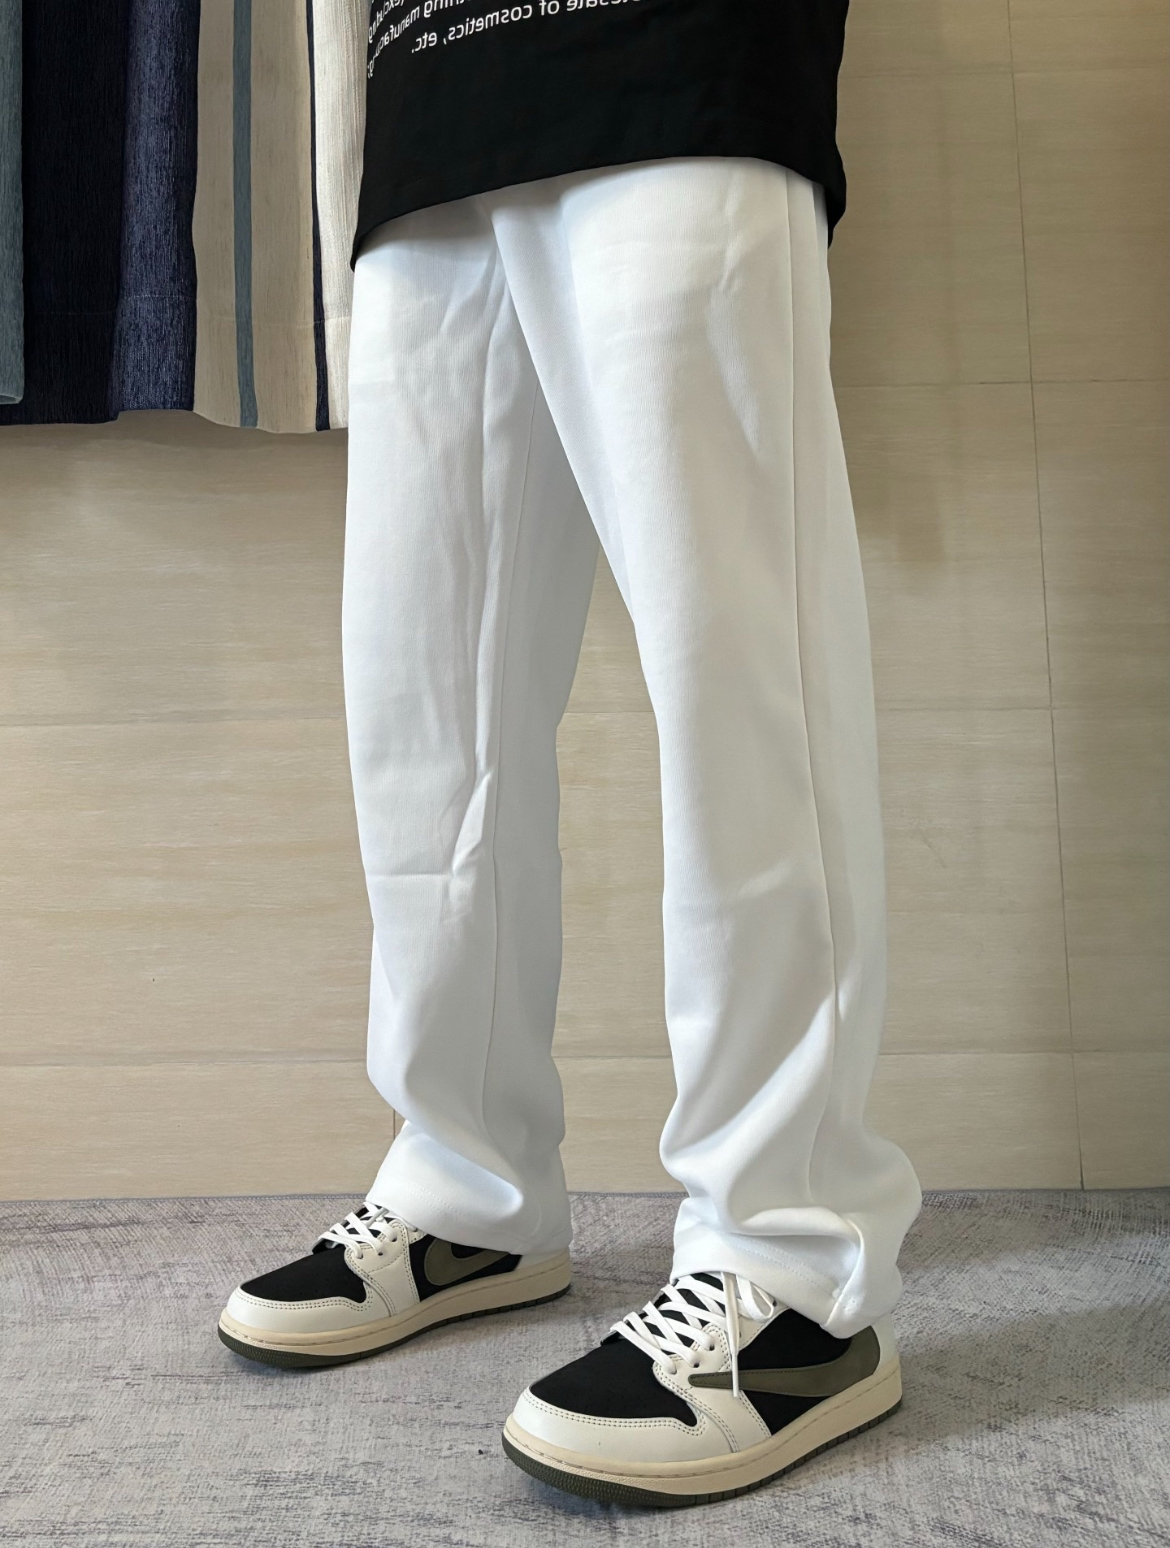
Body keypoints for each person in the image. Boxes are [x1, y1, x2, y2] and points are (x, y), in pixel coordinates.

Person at [218, 0, 922, 1507]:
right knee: (427, 701)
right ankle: (468, 1186)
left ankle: (792, 1266)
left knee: (740, 668)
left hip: (671, 51)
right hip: (429, 98)